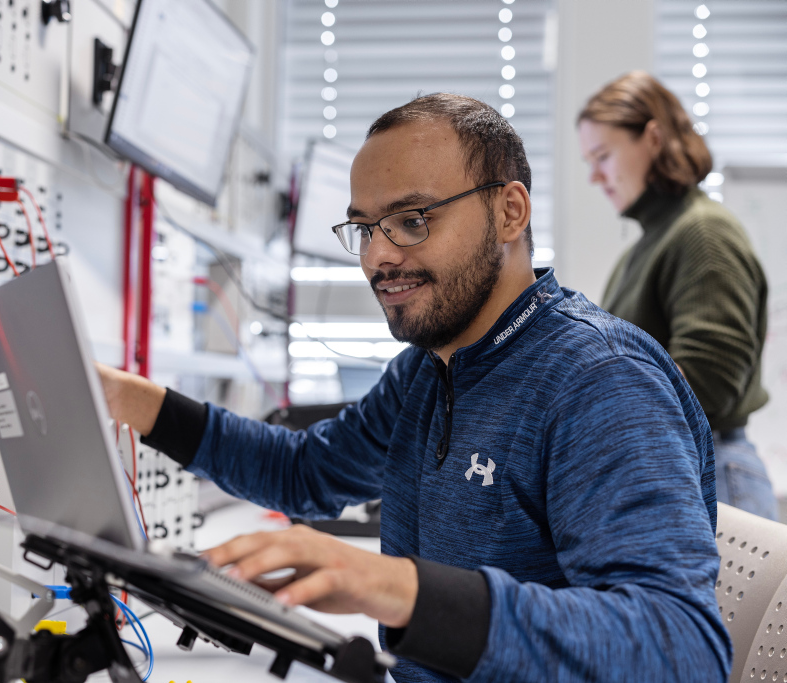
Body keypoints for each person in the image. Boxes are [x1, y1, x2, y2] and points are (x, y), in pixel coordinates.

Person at [98, 93, 731, 682]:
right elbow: (308, 472)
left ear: (510, 211)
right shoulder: (430, 369)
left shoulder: (598, 379)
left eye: (412, 219)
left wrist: (401, 589)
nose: (378, 256)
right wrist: (133, 402)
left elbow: (682, 647)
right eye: (366, 228)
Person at [578, 71, 777, 521]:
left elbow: (709, 377)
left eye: (602, 156)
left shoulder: (702, 233)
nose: (594, 176)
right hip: (685, 468)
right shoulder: (651, 244)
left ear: (652, 138)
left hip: (711, 473)